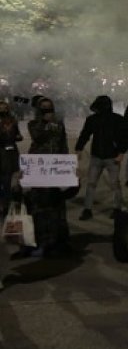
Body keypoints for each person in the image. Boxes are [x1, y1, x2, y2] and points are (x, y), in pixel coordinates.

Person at [18, 97, 73, 258]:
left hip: (55, 167)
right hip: (38, 167)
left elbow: (63, 144)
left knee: (57, 205)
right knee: (39, 206)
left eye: (50, 109)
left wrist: (67, 166)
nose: (48, 112)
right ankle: (39, 241)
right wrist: (46, 123)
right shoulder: (34, 124)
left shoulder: (59, 124)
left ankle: (59, 241)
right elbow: (37, 137)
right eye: (44, 109)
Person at [75, 95, 128, 220]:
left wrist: (121, 153)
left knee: (114, 184)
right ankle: (87, 209)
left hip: (112, 157)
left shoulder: (117, 119)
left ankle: (117, 208)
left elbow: (124, 137)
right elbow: (85, 134)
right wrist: (79, 148)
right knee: (91, 183)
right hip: (96, 156)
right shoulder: (92, 119)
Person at [0, 99, 23, 216]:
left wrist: (17, 136)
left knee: (9, 179)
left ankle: (7, 205)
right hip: (1, 150)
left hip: (11, 152)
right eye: (1, 108)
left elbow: (18, 134)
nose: (3, 110)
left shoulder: (12, 120)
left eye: (5, 108)